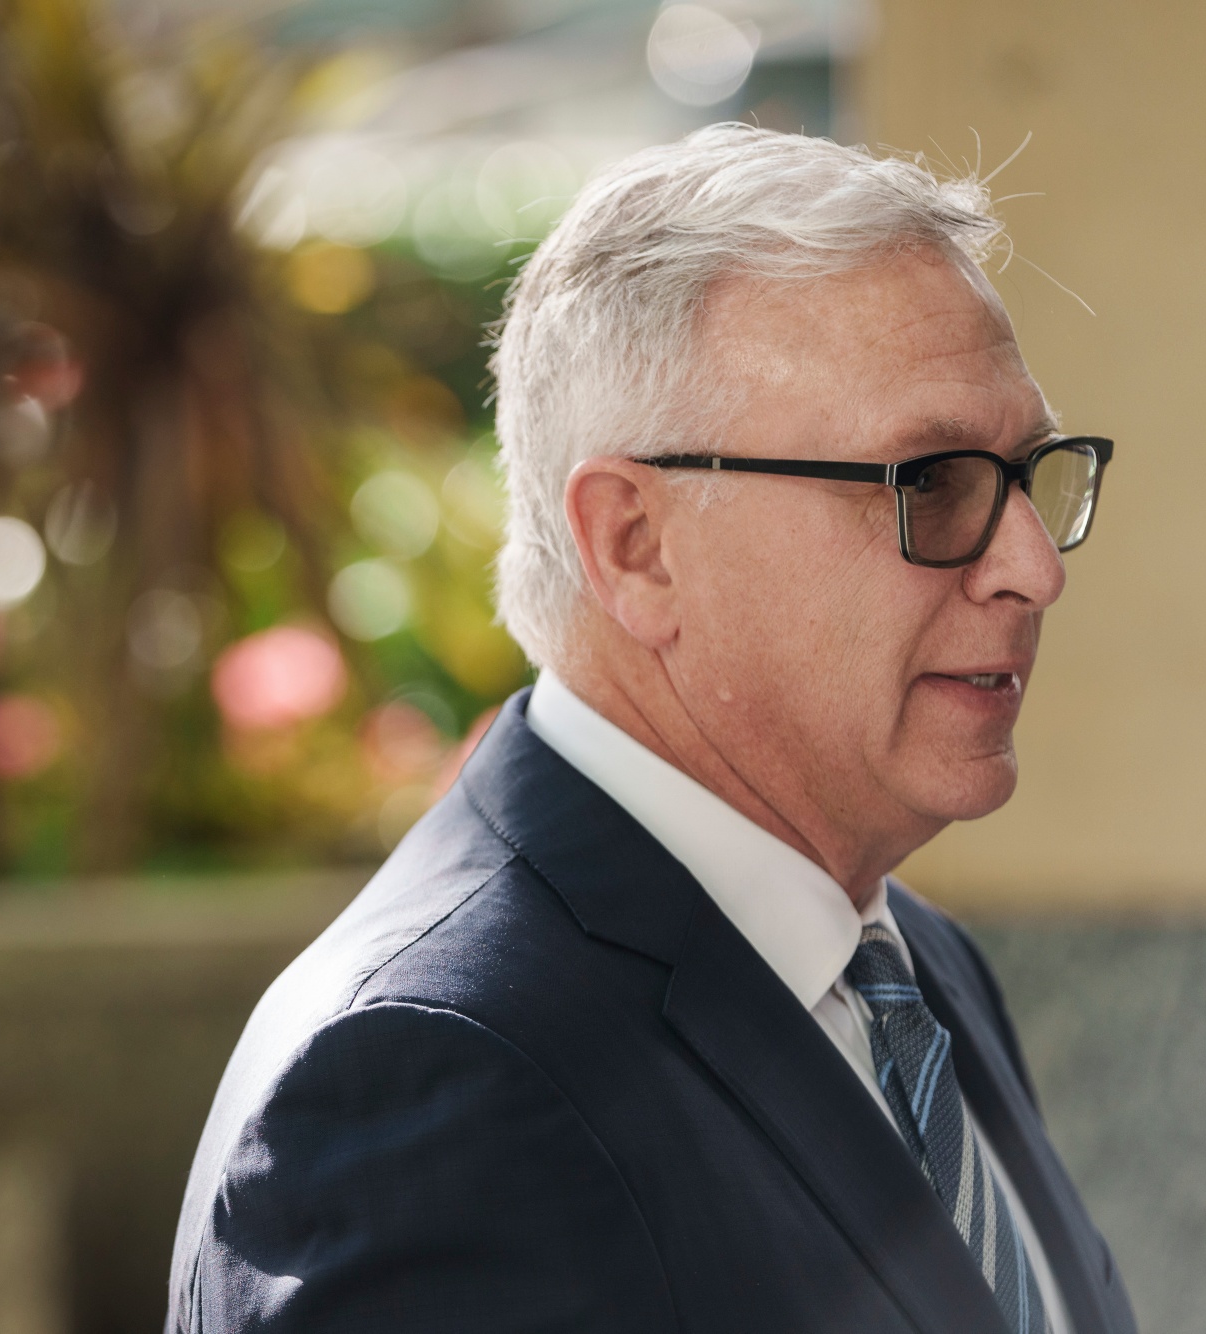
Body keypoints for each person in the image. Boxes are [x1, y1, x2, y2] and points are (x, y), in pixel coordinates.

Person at [168, 124, 1137, 1334]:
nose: (1032, 566)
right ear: (634, 544)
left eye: (1027, 470)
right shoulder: (433, 1076)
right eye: (929, 480)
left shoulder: (908, 962)